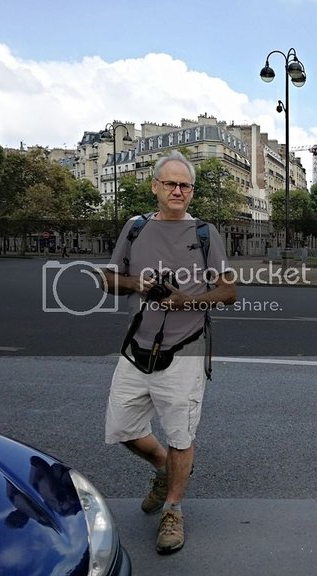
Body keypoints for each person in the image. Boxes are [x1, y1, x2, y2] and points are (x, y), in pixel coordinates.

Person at [100, 151, 236, 554]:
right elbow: (109, 280)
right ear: (155, 186)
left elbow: (229, 292)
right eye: (171, 183)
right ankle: (163, 470)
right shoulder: (136, 228)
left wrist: (186, 302)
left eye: (186, 185)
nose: (178, 191)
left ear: (192, 192)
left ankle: (173, 509)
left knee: (181, 436)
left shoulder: (205, 233)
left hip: (184, 350)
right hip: (136, 347)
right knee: (122, 429)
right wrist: (137, 284)